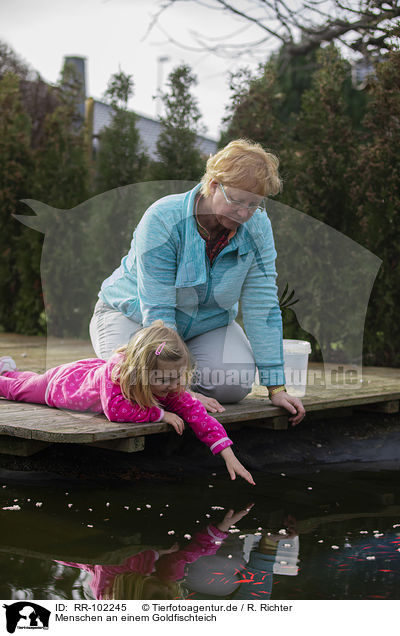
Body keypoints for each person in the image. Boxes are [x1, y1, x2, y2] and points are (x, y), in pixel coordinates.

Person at [89, 138, 305, 425]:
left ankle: (177, 377)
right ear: (214, 184)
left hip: (205, 324)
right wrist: (183, 393)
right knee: (134, 382)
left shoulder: (258, 227)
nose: (244, 213)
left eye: (254, 204)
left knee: (234, 382)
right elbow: (159, 313)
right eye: (237, 201)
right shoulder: (163, 218)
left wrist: (276, 387)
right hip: (135, 316)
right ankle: (100, 370)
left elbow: (262, 304)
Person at [0, 321, 254, 485]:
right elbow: (115, 410)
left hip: (84, 375)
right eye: (165, 379)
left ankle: (8, 370)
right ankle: (6, 376)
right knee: (19, 389)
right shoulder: (118, 378)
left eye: (178, 376)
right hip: (63, 386)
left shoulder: (171, 383)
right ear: (142, 375)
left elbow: (200, 417)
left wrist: (229, 455)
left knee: (25, 382)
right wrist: (159, 415)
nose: (174, 385)